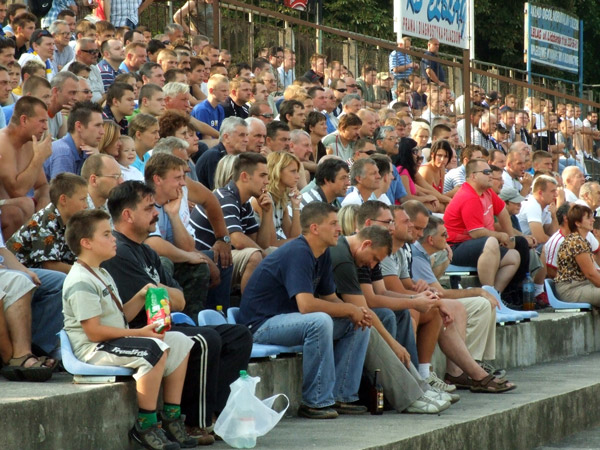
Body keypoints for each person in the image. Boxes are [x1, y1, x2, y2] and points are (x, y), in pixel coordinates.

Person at [101, 181, 252, 443]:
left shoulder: (146, 251)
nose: (156, 213)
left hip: (165, 324)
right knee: (206, 339)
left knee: (238, 335)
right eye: (149, 208)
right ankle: (194, 423)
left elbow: (179, 300)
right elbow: (149, 299)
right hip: (141, 330)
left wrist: (159, 291)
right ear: (127, 215)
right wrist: (162, 292)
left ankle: (218, 415)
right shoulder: (119, 251)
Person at [63, 208, 197, 448]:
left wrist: (141, 294)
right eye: (106, 235)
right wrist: (140, 333)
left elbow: (120, 316)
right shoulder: (80, 280)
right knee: (153, 348)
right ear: (86, 243)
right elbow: (93, 332)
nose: (114, 239)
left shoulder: (101, 272)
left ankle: (172, 418)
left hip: (111, 341)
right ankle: (146, 425)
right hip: (94, 348)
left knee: (179, 342)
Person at [238, 202, 372, 418]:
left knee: (358, 324)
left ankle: (341, 396)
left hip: (288, 321)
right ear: (315, 229)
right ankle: (315, 402)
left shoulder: (324, 253)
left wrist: (356, 312)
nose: (339, 228)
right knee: (319, 321)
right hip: (260, 325)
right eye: (333, 223)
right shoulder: (298, 252)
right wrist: (349, 308)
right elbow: (307, 305)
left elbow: (329, 298)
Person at [190, 153, 272, 294]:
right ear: (245, 176)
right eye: (262, 176)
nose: (267, 181)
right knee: (255, 256)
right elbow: (238, 240)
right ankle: (249, 310)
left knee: (272, 252)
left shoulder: (245, 203)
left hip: (224, 258)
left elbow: (261, 244)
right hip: (203, 258)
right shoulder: (225, 197)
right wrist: (270, 260)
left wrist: (267, 213)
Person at [444, 159, 521, 293]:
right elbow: (476, 233)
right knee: (491, 241)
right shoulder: (469, 196)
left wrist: (511, 237)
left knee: (513, 256)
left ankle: (494, 297)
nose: (491, 175)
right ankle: (488, 294)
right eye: (486, 172)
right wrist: (501, 236)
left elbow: (502, 211)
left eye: (490, 172)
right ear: (473, 176)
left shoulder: (487, 191)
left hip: (473, 244)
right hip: (454, 249)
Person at [0, 96, 52, 239]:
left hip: (18, 207)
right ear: (24, 120)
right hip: (8, 209)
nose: (46, 127)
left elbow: (42, 185)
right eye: (42, 121)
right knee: (22, 206)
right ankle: (11, 258)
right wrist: (39, 157)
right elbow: (16, 191)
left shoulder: (29, 143)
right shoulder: (3, 142)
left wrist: (43, 203)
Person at [44, 101, 105, 180]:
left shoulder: (85, 151)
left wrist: (97, 158)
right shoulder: (63, 153)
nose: (102, 132)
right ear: (79, 126)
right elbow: (63, 191)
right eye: (97, 125)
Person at [251, 151, 302, 245]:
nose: (298, 176)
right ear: (277, 171)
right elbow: (271, 244)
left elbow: (293, 235)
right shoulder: (264, 197)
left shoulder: (280, 198)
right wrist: (303, 242)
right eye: (293, 171)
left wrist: (296, 206)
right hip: (257, 250)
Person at [555, 204, 600, 306]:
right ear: (577, 223)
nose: (593, 220)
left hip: (582, 285)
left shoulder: (582, 240)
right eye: (588, 218)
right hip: (571, 289)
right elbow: (591, 274)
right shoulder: (576, 242)